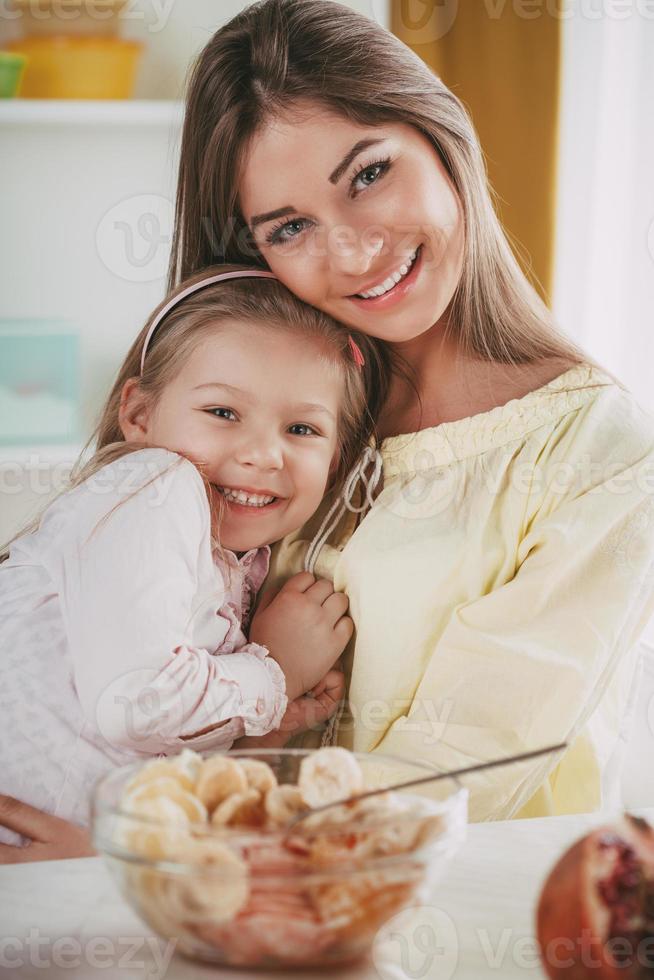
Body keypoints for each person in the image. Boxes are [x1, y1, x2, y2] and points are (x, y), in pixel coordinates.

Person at [3, 0, 654, 859]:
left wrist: (151, 850)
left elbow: (461, 772)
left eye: (369, 174)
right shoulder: (246, 426)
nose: (352, 253)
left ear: (441, 131)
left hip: (413, 923)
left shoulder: (598, 453)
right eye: (292, 227)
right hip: (183, 909)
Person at [0, 265, 385, 852]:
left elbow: (143, 751)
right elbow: (136, 703)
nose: (262, 453)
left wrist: (264, 734)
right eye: (223, 413)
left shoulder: (235, 562)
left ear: (335, 461)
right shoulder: (155, 483)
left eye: (302, 428)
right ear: (139, 415)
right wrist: (275, 667)